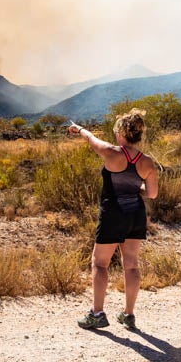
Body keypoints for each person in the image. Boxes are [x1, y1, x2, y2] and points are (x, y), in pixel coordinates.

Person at [67, 109, 159, 331]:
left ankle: (97, 313)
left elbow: (90, 138)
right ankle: (128, 315)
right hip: (135, 214)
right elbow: (152, 193)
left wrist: (77, 128)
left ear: (120, 133)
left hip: (113, 213)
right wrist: (136, 188)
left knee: (99, 263)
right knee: (131, 265)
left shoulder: (110, 152)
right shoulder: (147, 162)